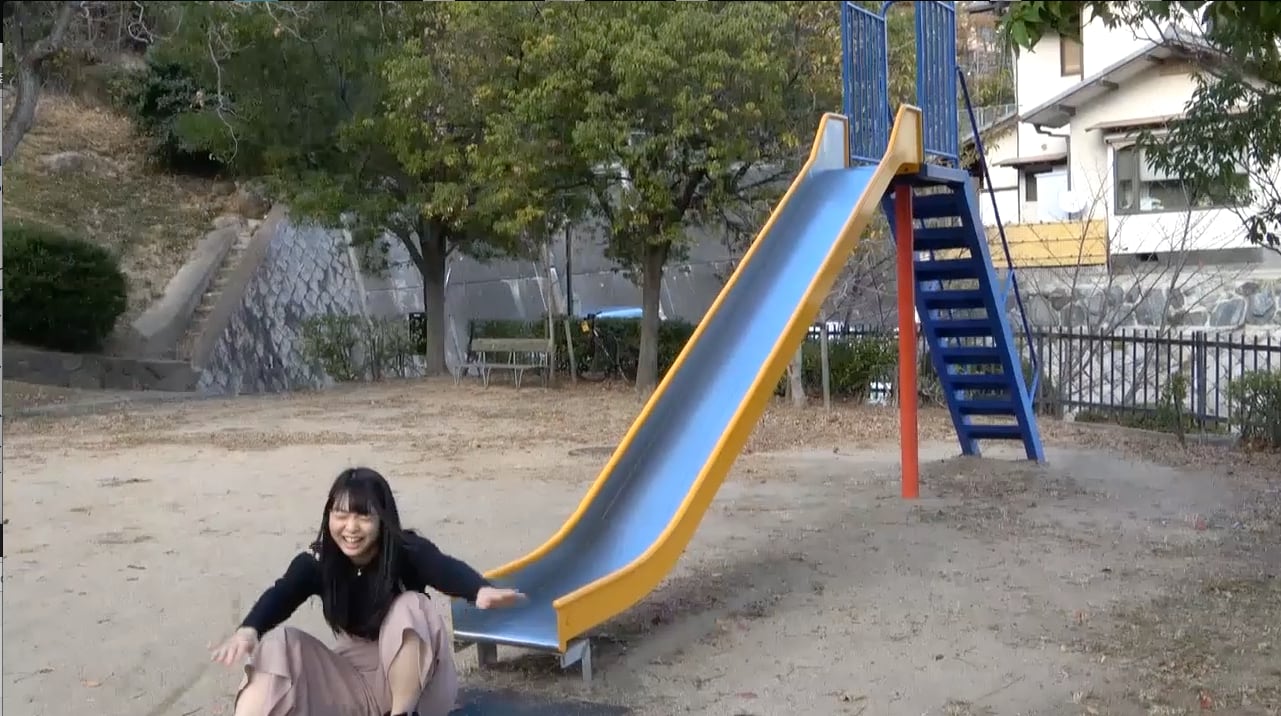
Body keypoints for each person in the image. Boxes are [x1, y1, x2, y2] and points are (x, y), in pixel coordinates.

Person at [209, 467, 525, 716]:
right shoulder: (318, 561)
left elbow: (442, 567)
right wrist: (249, 630)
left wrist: (477, 590)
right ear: (328, 517)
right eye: (341, 515)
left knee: (412, 606)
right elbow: (283, 593)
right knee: (280, 643)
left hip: (418, 685)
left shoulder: (405, 551)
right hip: (354, 682)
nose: (351, 527)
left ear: (382, 519)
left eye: (363, 516)